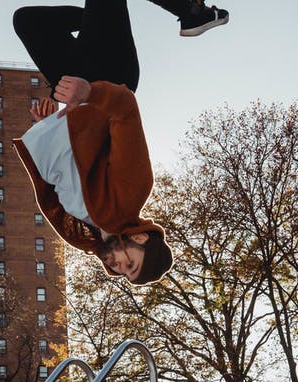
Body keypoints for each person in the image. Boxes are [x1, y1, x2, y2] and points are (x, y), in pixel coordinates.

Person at [13, 0, 225, 284]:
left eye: (124, 273)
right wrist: (90, 91)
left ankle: (185, 13)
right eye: (131, 264)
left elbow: (71, 165)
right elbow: (125, 109)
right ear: (140, 237)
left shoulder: (87, 229)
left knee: (29, 22)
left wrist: (51, 127)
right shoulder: (132, 192)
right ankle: (191, 12)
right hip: (108, 75)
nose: (119, 268)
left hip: (75, 91)